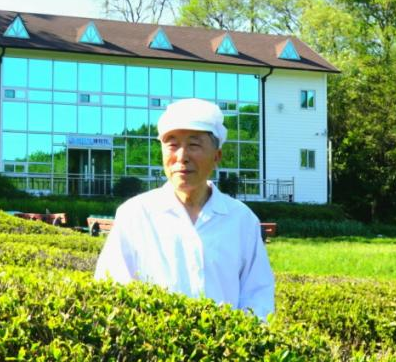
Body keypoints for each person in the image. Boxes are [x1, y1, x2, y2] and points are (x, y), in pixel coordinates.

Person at [94, 98, 274, 320]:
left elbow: (258, 298)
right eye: (172, 144)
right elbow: (112, 291)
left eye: (194, 145)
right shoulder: (135, 215)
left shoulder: (241, 220)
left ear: (217, 156)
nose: (181, 156)